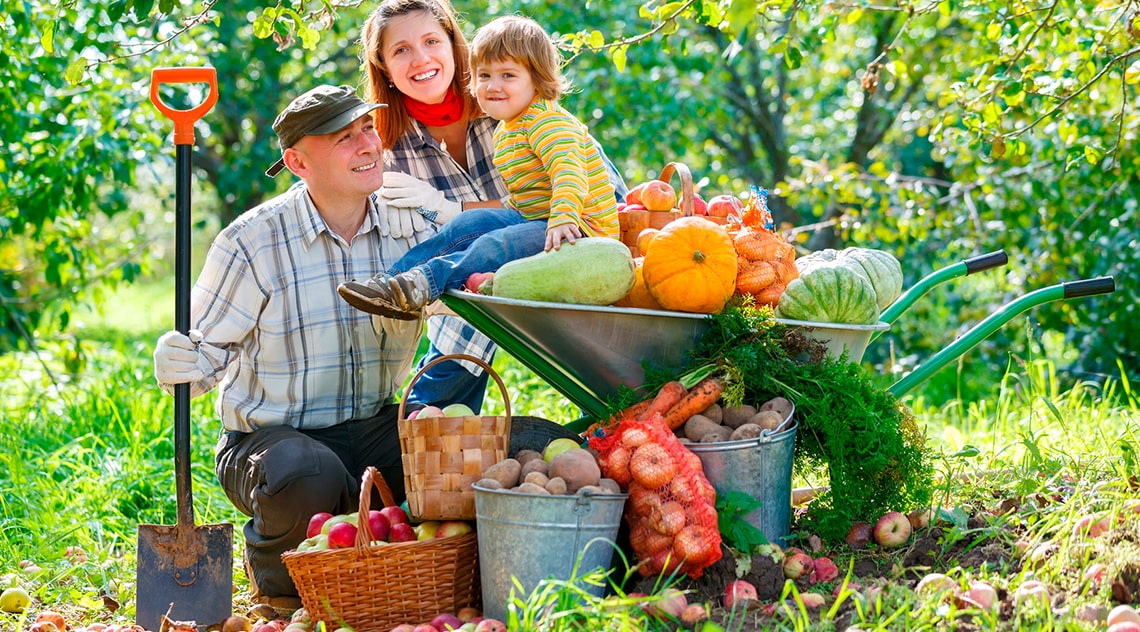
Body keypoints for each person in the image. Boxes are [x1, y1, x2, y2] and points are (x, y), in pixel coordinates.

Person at [151, 84, 425, 609]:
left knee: (458, 453)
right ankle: (283, 589)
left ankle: (388, 564)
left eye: (368, 128)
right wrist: (177, 359)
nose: (367, 144)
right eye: (344, 138)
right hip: (271, 444)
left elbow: (456, 306)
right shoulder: (253, 242)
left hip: (371, 425)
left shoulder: (407, 227)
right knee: (308, 472)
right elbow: (203, 358)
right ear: (297, 161)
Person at [352, 0, 627, 409]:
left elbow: (607, 192)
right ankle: (392, 285)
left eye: (431, 41)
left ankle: (420, 287)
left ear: (452, 44)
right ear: (384, 67)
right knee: (445, 370)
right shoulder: (392, 144)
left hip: (568, 248)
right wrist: (457, 216)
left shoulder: (514, 101)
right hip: (469, 297)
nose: (421, 59)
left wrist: (449, 206)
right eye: (401, 50)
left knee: (488, 246)